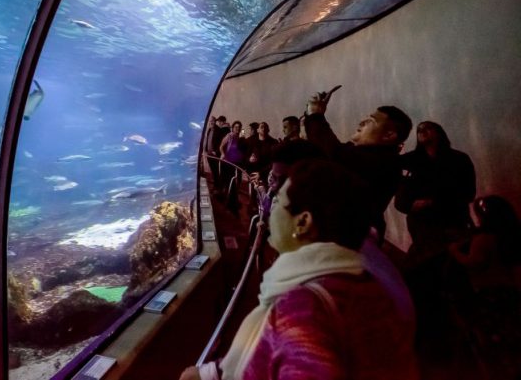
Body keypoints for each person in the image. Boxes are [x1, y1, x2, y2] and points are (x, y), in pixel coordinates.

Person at [180, 159, 418, 380]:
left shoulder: (304, 306)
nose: (271, 212)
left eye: (279, 203)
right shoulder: (361, 281)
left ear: (303, 222)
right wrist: (212, 373)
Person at [303, 90, 412, 240]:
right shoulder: (364, 155)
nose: (361, 122)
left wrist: (315, 115)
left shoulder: (385, 163)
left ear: (389, 135)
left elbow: (334, 153)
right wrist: (311, 114)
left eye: (370, 121)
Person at [448, 196, 521, 378]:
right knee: (511, 335)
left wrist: (455, 252)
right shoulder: (509, 236)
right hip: (510, 291)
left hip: (488, 293)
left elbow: (475, 262)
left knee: (492, 338)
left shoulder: (483, 239)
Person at [395, 121, 476, 261]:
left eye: (428, 127)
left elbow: (468, 192)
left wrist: (431, 202)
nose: (422, 130)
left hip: (454, 222)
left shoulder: (459, 159)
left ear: (439, 133)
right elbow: (400, 196)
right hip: (422, 227)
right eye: (419, 129)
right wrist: (409, 205)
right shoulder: (408, 161)